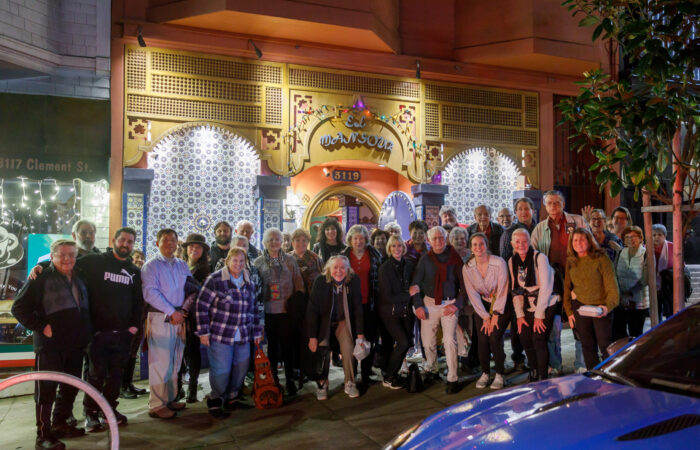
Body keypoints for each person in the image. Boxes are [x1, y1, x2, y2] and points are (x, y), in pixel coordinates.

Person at [29, 229, 144, 431]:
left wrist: (134, 326)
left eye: (130, 241)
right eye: (123, 240)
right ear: (114, 241)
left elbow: (138, 301)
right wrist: (42, 266)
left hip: (124, 334)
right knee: (95, 375)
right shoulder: (95, 261)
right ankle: (90, 413)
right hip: (97, 333)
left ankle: (108, 410)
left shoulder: (133, 270)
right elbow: (66, 263)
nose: (126, 244)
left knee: (116, 375)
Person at [12, 240, 91, 449]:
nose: (67, 259)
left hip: (75, 344)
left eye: (71, 255)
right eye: (62, 254)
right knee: (45, 392)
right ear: (52, 255)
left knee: (70, 388)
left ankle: (60, 425)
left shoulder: (80, 275)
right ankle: (43, 436)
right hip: (50, 346)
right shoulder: (41, 277)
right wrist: (41, 326)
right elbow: (18, 308)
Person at [196, 247, 263, 417]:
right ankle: (216, 399)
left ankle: (233, 397)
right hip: (221, 334)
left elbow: (254, 308)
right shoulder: (215, 279)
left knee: (241, 367)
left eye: (242, 261)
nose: (238, 264)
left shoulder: (248, 281)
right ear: (227, 261)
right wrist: (203, 332)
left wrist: (257, 332)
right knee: (221, 370)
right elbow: (201, 306)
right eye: (235, 260)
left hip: (243, 334)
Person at [530, 190, 588, 375]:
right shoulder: (539, 228)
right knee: (553, 328)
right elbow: (533, 256)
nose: (554, 206)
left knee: (579, 324)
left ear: (563, 204)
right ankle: (555, 365)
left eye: (557, 202)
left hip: (577, 280)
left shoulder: (577, 221)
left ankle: (581, 364)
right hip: (552, 283)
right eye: (550, 203)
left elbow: (591, 244)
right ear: (545, 206)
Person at [141, 228, 193, 419]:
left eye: (173, 240)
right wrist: (172, 312)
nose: (170, 243)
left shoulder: (182, 265)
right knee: (160, 362)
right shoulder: (151, 266)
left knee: (175, 361)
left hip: (179, 318)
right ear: (157, 243)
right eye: (165, 240)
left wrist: (183, 311)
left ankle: (169, 398)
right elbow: (150, 293)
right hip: (160, 317)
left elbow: (190, 288)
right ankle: (156, 404)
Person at [410, 226, 465, 394]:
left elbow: (464, 285)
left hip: (450, 304)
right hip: (430, 303)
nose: (438, 241)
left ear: (446, 238)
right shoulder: (425, 259)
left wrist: (457, 304)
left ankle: (453, 378)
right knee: (427, 342)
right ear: (429, 241)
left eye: (441, 238)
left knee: (449, 340)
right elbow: (415, 284)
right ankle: (432, 368)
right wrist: (418, 305)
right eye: (434, 239)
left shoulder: (455, 258)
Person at [253, 228, 304, 395]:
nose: (274, 242)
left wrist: (297, 307)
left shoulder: (290, 260)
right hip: (268, 312)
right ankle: (274, 379)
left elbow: (299, 284)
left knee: (288, 347)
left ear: (282, 241)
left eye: (277, 239)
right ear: (265, 242)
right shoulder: (258, 262)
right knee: (273, 348)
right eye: (271, 239)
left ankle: (290, 379)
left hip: (287, 311)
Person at [307, 255, 365, 400]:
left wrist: (360, 335)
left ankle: (350, 382)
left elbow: (358, 308)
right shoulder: (320, 281)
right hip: (323, 322)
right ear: (329, 269)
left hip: (343, 320)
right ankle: (322, 384)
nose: (338, 271)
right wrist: (312, 336)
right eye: (335, 268)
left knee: (348, 347)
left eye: (342, 268)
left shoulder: (354, 280)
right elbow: (312, 310)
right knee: (322, 348)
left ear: (347, 269)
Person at [563, 228, 619, 369]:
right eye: (575, 240)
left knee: (605, 344)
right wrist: (569, 312)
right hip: (580, 307)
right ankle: (593, 375)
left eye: (582, 239)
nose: (579, 243)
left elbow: (612, 287)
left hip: (601, 308)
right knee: (587, 345)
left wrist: (608, 306)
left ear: (589, 241)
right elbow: (567, 288)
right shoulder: (571, 261)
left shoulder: (601, 258)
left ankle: (609, 374)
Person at [508, 229, 559, 381]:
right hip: (526, 303)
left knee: (538, 337)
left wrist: (539, 315)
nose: (521, 244)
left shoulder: (540, 257)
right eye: (517, 241)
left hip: (546, 303)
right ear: (512, 244)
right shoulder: (512, 261)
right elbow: (516, 290)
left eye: (524, 241)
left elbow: (546, 287)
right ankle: (535, 369)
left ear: (530, 242)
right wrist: (519, 315)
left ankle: (543, 375)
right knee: (524, 337)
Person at [462, 233, 509, 390]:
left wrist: (495, 314)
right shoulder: (467, 268)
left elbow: (502, 289)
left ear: (486, 246)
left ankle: (500, 373)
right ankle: (485, 372)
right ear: (471, 248)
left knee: (494, 336)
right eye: (475, 245)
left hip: (501, 303)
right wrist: (484, 316)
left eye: (481, 244)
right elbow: (473, 295)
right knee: (482, 338)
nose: (478, 247)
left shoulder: (499, 262)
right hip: (481, 305)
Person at [341, 224, 383, 385]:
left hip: (369, 303)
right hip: (350, 305)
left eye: (361, 238)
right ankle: (352, 373)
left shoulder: (374, 255)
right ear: (350, 240)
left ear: (366, 240)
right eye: (355, 238)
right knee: (350, 339)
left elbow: (379, 280)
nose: (358, 241)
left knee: (369, 338)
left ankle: (366, 373)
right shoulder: (344, 255)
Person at [499, 198, 538, 371]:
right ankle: (518, 357)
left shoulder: (539, 228)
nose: (523, 212)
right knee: (518, 322)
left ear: (533, 210)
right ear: (516, 212)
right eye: (520, 209)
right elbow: (505, 260)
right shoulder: (509, 232)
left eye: (526, 209)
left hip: (537, 284)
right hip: (517, 286)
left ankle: (536, 357)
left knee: (536, 321)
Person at [377, 236, 415, 389]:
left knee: (407, 343)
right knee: (403, 342)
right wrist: (409, 294)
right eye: (393, 246)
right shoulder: (384, 268)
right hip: (390, 312)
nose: (397, 249)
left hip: (405, 310)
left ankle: (393, 372)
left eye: (399, 245)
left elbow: (415, 285)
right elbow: (388, 296)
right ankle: (389, 375)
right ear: (389, 248)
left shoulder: (409, 264)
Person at [288, 228, 323, 390]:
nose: (301, 243)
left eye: (304, 240)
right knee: (296, 337)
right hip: (294, 305)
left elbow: (323, 279)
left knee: (312, 336)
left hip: (313, 303)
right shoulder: (287, 258)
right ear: (292, 242)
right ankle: (296, 369)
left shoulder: (315, 258)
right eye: (297, 240)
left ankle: (311, 369)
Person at [179, 234, 211, 403]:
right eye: (191, 246)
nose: (194, 249)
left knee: (192, 351)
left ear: (203, 251)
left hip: (194, 316)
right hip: (179, 315)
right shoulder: (180, 266)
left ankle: (192, 388)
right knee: (179, 352)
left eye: (198, 247)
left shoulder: (205, 270)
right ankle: (178, 388)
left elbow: (201, 294)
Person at [121, 249, 148, 401]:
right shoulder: (127, 276)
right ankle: (122, 387)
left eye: (142, 258)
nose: (139, 260)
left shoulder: (143, 277)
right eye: (137, 257)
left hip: (140, 320)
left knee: (133, 353)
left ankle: (128, 383)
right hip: (127, 322)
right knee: (125, 353)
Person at [613, 226, 649, 339]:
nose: (630, 239)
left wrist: (628, 294)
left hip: (638, 302)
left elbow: (645, 279)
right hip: (621, 302)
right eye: (627, 237)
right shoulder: (620, 253)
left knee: (636, 334)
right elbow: (614, 275)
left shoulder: (646, 253)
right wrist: (620, 295)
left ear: (640, 238)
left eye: (633, 236)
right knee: (619, 334)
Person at [652, 224, 674, 319]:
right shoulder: (646, 247)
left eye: (660, 234)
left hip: (668, 285)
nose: (657, 237)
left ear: (665, 236)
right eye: (654, 235)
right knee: (656, 312)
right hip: (653, 284)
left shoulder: (672, 246)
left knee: (669, 311)